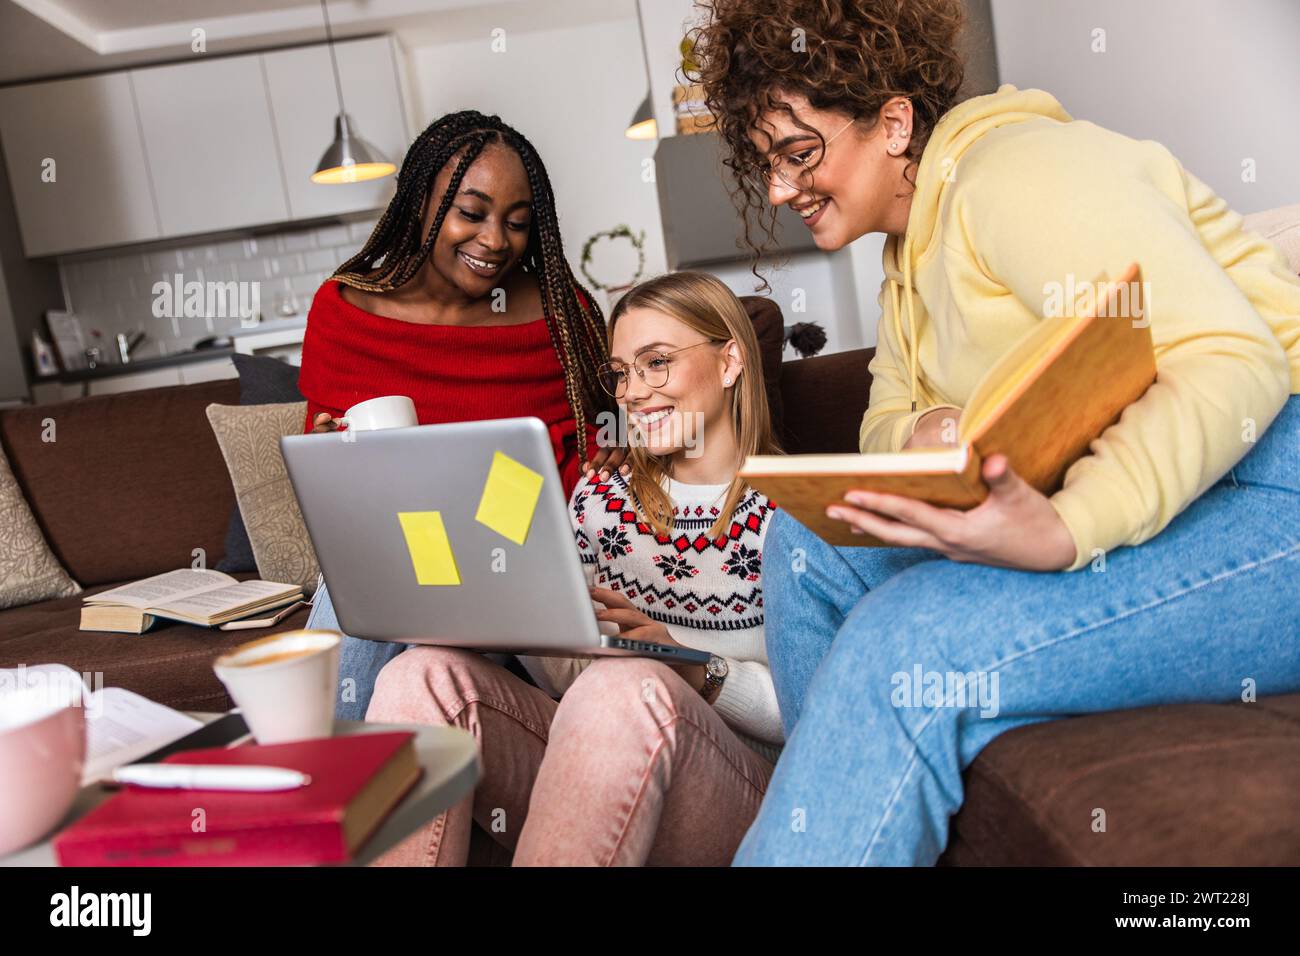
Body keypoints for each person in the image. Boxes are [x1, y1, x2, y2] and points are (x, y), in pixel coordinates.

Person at [686, 0, 1300, 865]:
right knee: (803, 547)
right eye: (769, 165)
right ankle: (848, 811)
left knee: (907, 642)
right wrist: (934, 427)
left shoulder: (1015, 174)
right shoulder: (907, 255)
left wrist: (1069, 526)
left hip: (1273, 488)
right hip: (1189, 485)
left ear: (893, 123)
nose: (781, 190)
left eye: (799, 153)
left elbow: (1233, 355)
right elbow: (887, 420)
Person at [365, 271, 785, 865]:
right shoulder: (600, 499)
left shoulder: (797, 509)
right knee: (420, 675)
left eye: (657, 362)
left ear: (730, 361)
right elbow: (572, 687)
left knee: (625, 685)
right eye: (621, 373)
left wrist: (696, 670)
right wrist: (511, 613)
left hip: (744, 792)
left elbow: (822, 712)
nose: (634, 392)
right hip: (604, 770)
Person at [296, 111, 626, 719]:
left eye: (518, 223)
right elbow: (323, 462)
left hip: (520, 543)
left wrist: (615, 441)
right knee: (395, 570)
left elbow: (612, 423)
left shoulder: (560, 310)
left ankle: (334, 774)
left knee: (421, 584)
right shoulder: (345, 311)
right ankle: (339, 770)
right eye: (471, 214)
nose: (496, 241)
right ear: (420, 202)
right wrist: (329, 455)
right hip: (395, 544)